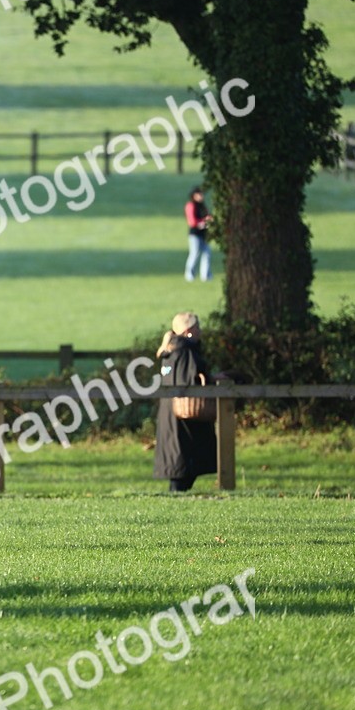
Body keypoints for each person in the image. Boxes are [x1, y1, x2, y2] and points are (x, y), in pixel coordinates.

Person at [154, 312, 217, 492]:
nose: (200, 332)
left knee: (179, 467)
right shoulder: (186, 351)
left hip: (170, 414)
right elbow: (191, 380)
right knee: (184, 466)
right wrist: (211, 380)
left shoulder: (169, 351)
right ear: (189, 330)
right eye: (197, 328)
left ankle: (176, 497)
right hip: (186, 416)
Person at [184, 186, 213, 281]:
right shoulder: (191, 205)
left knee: (207, 253)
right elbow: (192, 222)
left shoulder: (202, 206)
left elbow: (208, 216)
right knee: (194, 253)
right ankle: (189, 275)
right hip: (195, 234)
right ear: (194, 195)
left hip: (204, 233)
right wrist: (204, 221)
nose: (201, 196)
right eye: (199, 194)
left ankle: (206, 276)